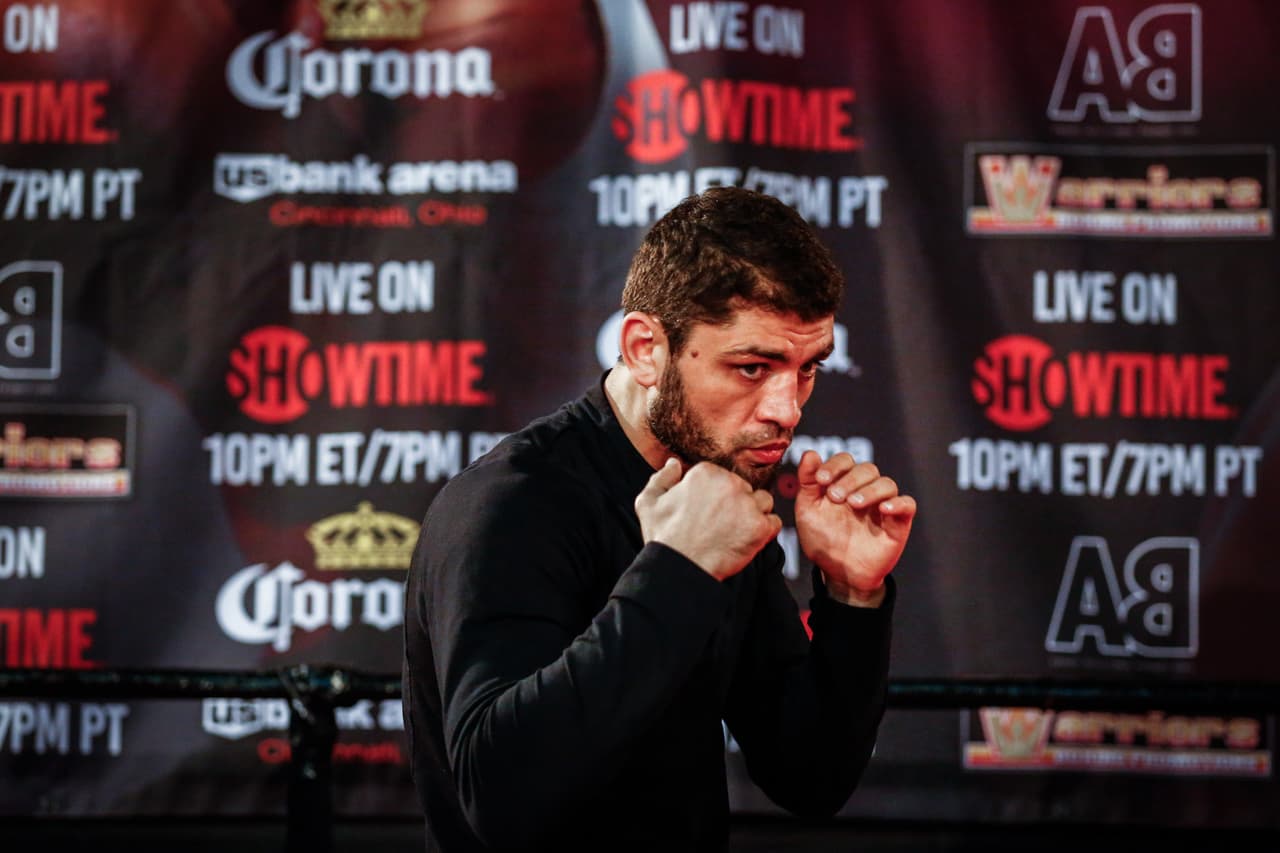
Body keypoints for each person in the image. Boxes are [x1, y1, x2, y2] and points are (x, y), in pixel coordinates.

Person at [402, 186, 916, 851]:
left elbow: (810, 775)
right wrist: (677, 571)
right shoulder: (513, 504)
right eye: (753, 367)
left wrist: (852, 595)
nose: (786, 409)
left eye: (806, 368)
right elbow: (501, 798)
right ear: (646, 347)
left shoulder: (720, 485)